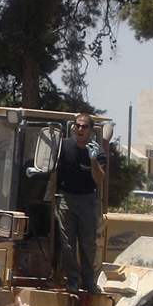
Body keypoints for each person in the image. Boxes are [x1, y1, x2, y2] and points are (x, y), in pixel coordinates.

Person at [56, 112, 106, 293]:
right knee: (67, 243)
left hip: (87, 200)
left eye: (84, 126)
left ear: (91, 131)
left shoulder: (97, 151)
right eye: (77, 125)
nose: (80, 129)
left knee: (88, 243)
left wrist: (92, 160)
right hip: (66, 198)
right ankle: (72, 280)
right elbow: (53, 170)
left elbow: (99, 179)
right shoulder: (64, 146)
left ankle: (89, 280)